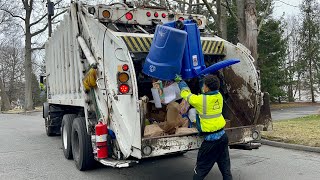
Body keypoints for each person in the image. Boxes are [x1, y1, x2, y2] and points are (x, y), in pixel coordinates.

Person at [175, 74, 232, 180]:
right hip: (223, 138)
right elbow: (208, 90)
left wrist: (180, 82)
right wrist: (203, 78)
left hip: (211, 142)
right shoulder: (219, 95)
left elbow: (186, 94)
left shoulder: (200, 100)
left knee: (200, 171)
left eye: (204, 85)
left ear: (206, 87)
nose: (202, 87)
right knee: (225, 169)